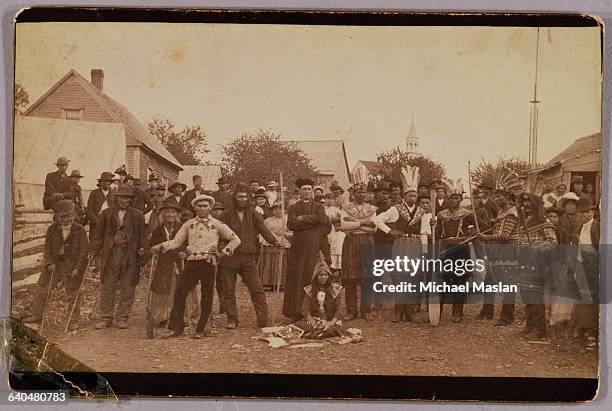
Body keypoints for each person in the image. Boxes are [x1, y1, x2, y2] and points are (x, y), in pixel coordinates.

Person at [152, 194, 240, 338]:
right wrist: (161, 246)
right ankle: (175, 328)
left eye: (205, 206)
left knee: (207, 295)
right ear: (195, 207)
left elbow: (235, 239)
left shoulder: (217, 224)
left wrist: (222, 253)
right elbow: (176, 242)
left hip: (208, 261)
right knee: (180, 292)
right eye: (199, 206)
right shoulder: (189, 224)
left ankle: (201, 329)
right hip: (192, 261)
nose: (202, 209)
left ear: (210, 208)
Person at [219, 183, 279, 328]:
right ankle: (232, 319)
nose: (242, 199)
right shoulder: (225, 214)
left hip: (247, 257)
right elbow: (219, 234)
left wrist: (275, 241)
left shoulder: (253, 213)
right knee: (228, 289)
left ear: (248, 198)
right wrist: (219, 249)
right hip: (230, 256)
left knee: (257, 288)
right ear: (235, 198)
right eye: (239, 196)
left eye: (245, 197)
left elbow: (263, 230)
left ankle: (263, 319)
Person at [22, 200, 89, 331]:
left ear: (74, 215)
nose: (67, 219)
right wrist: (49, 263)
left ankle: (72, 320)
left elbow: (83, 252)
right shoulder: (52, 229)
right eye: (63, 216)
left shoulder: (80, 230)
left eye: (70, 216)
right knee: (42, 288)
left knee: (73, 293)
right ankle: (37, 315)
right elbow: (47, 249)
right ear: (57, 217)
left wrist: (78, 268)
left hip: (71, 266)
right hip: (54, 265)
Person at [90, 186, 148, 329]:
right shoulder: (106, 214)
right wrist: (93, 252)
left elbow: (143, 237)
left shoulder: (138, 215)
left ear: (131, 200)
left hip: (130, 256)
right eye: (121, 197)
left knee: (128, 287)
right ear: (116, 198)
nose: (124, 200)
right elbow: (98, 236)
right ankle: (106, 317)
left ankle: (122, 317)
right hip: (111, 255)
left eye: (127, 198)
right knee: (108, 286)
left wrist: (143, 256)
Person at [373, 177, 428, 322]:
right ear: (404, 196)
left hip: (415, 244)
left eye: (415, 195)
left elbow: (423, 233)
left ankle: (410, 311)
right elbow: (377, 220)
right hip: (401, 244)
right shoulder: (396, 209)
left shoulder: (422, 212)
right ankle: (399, 311)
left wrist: (424, 251)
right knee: (399, 277)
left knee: (413, 277)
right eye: (410, 195)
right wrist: (389, 231)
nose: (412, 198)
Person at [283, 178, 331, 321]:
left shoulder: (318, 207)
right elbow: (291, 225)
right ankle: (295, 311)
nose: (307, 192)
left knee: (312, 276)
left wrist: (302, 218)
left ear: (312, 191)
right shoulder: (293, 207)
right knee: (296, 277)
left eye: (309, 189)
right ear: (300, 191)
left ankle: (314, 311)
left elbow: (322, 220)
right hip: (298, 247)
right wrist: (312, 222)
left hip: (314, 246)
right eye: (304, 189)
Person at [515, 193, 558, 339]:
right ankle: (530, 325)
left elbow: (552, 242)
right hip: (524, 262)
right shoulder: (522, 222)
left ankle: (539, 329)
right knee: (526, 294)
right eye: (524, 202)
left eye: (529, 202)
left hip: (537, 263)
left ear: (535, 205)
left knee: (535, 295)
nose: (526, 205)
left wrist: (536, 248)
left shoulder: (543, 221)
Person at [476, 187, 520, 323]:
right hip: (498, 250)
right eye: (495, 197)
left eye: (500, 197)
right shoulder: (502, 212)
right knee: (489, 281)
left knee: (507, 284)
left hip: (508, 251)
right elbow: (499, 228)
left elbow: (505, 235)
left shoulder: (512, 213)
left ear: (507, 197)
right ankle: (487, 311)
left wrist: (485, 237)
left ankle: (507, 317)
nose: (497, 199)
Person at [434, 182, 475, 323]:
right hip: (445, 250)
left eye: (457, 198)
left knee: (459, 281)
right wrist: (433, 227)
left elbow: (483, 226)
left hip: (461, 250)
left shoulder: (467, 214)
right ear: (448, 199)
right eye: (452, 198)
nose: (454, 201)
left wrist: (470, 235)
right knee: (443, 280)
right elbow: (438, 234)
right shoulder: (441, 214)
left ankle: (457, 312)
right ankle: (437, 312)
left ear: (461, 199)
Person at [339, 182, 377, 321]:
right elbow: (343, 225)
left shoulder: (372, 208)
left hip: (367, 242)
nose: (361, 194)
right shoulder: (346, 207)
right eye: (358, 192)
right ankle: (351, 311)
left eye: (363, 192)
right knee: (350, 277)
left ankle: (366, 310)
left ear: (366, 194)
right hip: (351, 242)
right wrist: (362, 223)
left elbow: (374, 228)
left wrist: (353, 224)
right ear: (353, 194)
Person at [292, 256, 348, 339]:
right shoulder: (310, 290)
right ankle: (317, 333)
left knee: (332, 329)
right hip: (316, 319)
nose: (323, 277)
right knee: (298, 326)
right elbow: (305, 308)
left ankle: (315, 334)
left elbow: (340, 308)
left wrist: (332, 321)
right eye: (321, 275)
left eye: (325, 275)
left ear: (329, 276)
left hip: (331, 320)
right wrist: (309, 317)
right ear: (316, 277)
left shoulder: (336, 290)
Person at [149, 199, 184, 327]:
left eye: (173, 212)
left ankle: (178, 316)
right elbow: (153, 246)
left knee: (179, 287)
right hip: (163, 264)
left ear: (177, 215)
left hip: (179, 262)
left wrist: (182, 252)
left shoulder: (182, 228)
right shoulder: (158, 230)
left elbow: (186, 244)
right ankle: (163, 316)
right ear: (163, 214)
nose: (170, 215)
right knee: (162, 288)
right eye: (167, 212)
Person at [574, 197, 599, 352]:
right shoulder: (580, 228)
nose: (584, 215)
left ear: (593, 211)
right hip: (583, 267)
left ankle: (594, 335)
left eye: (587, 212)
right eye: (581, 212)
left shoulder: (596, 227)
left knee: (596, 302)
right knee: (583, 301)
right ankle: (583, 334)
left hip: (595, 269)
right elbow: (579, 251)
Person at [258, 201, 292, 290]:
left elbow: (292, 233)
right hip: (269, 243)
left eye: (280, 209)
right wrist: (265, 239)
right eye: (276, 209)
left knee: (281, 262)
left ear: (284, 210)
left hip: (283, 243)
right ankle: (267, 283)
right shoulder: (268, 220)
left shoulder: (288, 220)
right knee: (269, 262)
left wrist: (284, 234)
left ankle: (281, 283)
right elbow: (262, 231)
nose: (277, 211)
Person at [86, 172, 114, 241]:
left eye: (108, 181)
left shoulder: (113, 194)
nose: (105, 183)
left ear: (110, 183)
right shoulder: (94, 193)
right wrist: (96, 221)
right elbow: (89, 210)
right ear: (100, 182)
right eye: (103, 181)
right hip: (96, 222)